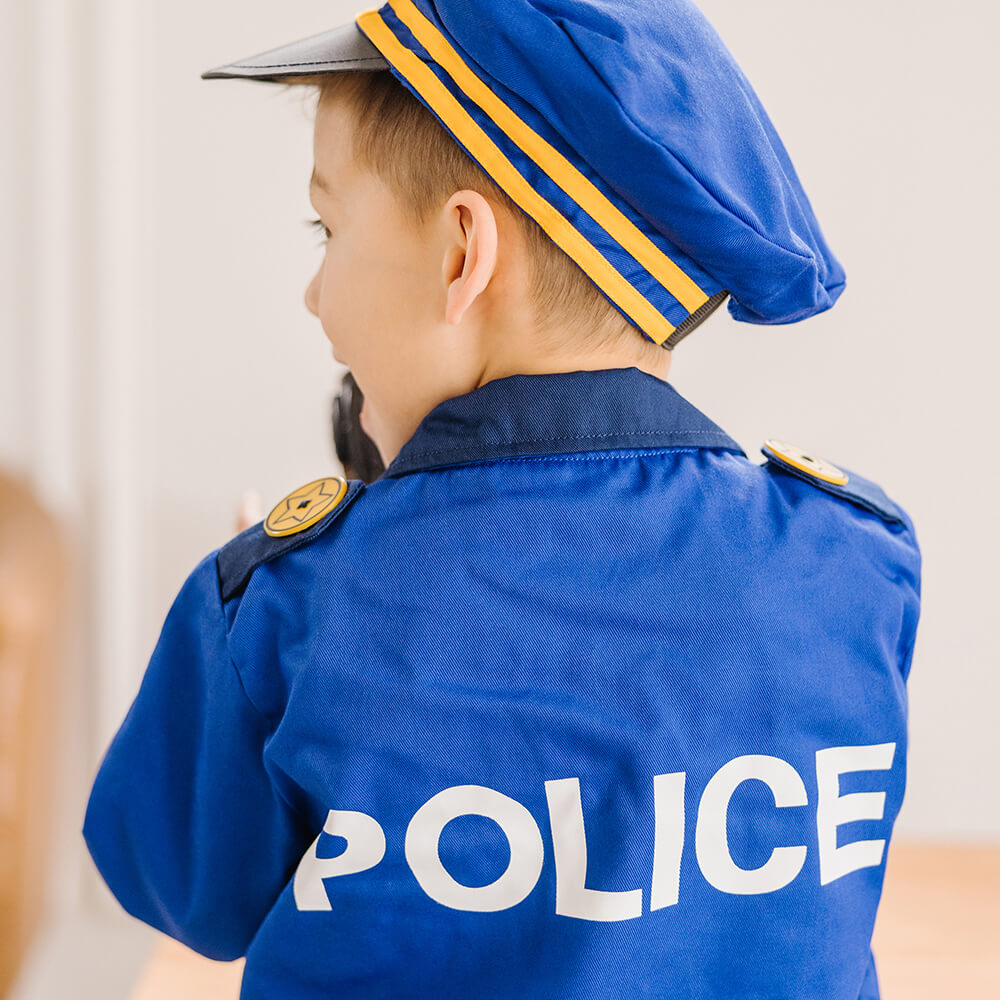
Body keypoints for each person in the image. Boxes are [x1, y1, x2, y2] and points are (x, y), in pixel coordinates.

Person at [82, 2, 922, 998]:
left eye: (328, 226)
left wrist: (231, 644)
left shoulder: (290, 607)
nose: (315, 295)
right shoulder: (850, 562)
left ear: (459, 256)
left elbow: (178, 887)